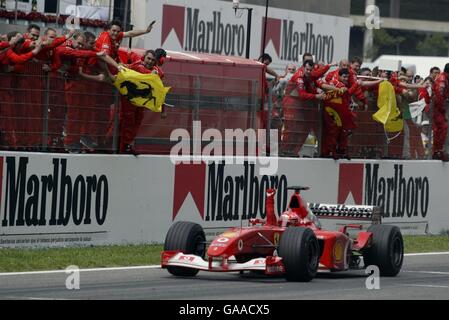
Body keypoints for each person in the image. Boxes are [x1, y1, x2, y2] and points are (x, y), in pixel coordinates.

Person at [279, 59, 335, 157]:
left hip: (300, 106)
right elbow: (302, 95)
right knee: (291, 129)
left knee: (303, 130)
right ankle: (284, 150)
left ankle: (293, 151)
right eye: (307, 69)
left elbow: (317, 74)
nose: (309, 72)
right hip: (291, 105)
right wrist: (316, 96)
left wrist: (329, 66)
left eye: (310, 70)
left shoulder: (309, 75)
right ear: (303, 67)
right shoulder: (299, 77)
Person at [119, 49, 164, 154]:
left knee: (137, 121)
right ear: (144, 58)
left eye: (153, 60)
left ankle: (128, 145)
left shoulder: (155, 70)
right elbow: (145, 72)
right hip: (129, 101)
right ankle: (123, 147)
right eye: (148, 58)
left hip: (140, 101)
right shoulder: (138, 66)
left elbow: (160, 82)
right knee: (127, 123)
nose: (150, 61)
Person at [321, 68, 357, 159]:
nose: (346, 79)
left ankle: (338, 151)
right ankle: (330, 152)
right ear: (339, 76)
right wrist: (356, 84)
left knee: (341, 131)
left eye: (347, 77)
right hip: (331, 111)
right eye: (344, 77)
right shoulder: (337, 83)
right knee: (333, 131)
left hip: (337, 111)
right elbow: (346, 93)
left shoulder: (339, 83)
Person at [431, 63, 449, 161]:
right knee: (442, 128)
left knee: (439, 129)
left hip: (438, 108)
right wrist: (442, 109)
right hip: (437, 108)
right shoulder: (442, 80)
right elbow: (439, 96)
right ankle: (438, 151)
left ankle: (437, 151)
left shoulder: (444, 78)